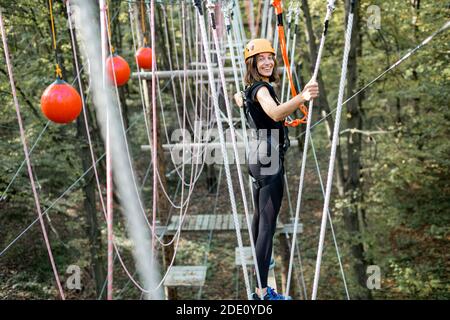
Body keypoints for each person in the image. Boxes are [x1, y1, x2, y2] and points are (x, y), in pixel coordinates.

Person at [235, 38, 319, 300]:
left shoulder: (249, 88)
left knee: (261, 219)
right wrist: (302, 97)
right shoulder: (261, 89)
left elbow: (241, 99)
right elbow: (274, 113)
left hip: (258, 157)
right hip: (268, 159)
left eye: (270, 57)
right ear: (252, 63)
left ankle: (262, 268)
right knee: (267, 227)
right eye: (261, 59)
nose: (268, 62)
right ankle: (262, 292)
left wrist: (240, 98)